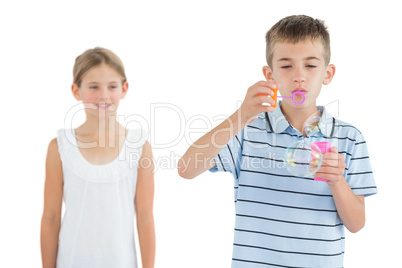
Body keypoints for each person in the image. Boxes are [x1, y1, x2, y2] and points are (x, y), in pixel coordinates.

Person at [178, 15, 377, 267]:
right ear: (269, 75)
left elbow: (357, 224)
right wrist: (240, 116)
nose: (299, 76)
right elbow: (186, 168)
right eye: (286, 66)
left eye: (310, 65)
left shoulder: (349, 138)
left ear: (328, 74)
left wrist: (337, 182)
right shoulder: (247, 131)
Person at [40, 47, 155, 268]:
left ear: (124, 89)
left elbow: (145, 217)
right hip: (71, 261)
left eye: (112, 86)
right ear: (76, 90)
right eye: (94, 87)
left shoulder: (139, 146)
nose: (103, 95)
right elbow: (51, 217)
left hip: (121, 261)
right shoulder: (59, 147)